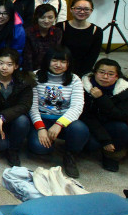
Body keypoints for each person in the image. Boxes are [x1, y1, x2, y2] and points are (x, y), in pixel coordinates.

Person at [28, 46, 87, 178]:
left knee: (80, 129)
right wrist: (41, 128)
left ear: (68, 64)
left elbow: (77, 107)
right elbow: (32, 106)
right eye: (54, 60)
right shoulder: (35, 76)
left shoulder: (75, 79)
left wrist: (59, 124)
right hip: (42, 119)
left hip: (64, 120)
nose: (58, 65)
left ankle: (70, 155)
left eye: (63, 62)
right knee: (39, 148)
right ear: (47, 61)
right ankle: (48, 140)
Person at [81, 58, 128, 172]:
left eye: (110, 74)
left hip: (109, 123)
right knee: (92, 145)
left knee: (122, 128)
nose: (105, 77)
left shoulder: (124, 90)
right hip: (90, 125)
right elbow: (85, 115)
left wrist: (101, 99)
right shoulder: (83, 86)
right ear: (94, 73)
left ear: (117, 76)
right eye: (101, 72)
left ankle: (111, 156)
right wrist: (105, 139)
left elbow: (122, 116)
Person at [0, 48, 34, 167]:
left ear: (16, 66)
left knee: (23, 121)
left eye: (9, 64)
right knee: (0, 147)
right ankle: (5, 142)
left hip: (13, 119)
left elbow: (24, 105)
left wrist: (2, 116)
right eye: (1, 63)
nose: (4, 67)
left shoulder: (24, 82)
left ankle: (13, 150)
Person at [58, 0, 104, 77]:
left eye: (86, 9)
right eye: (78, 8)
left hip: (83, 72)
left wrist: (81, 75)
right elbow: (55, 51)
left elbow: (93, 56)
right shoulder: (60, 26)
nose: (82, 12)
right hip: (60, 68)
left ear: (91, 11)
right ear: (71, 9)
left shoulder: (96, 31)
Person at [23, 4, 62, 72]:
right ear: (36, 17)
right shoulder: (28, 32)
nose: (46, 21)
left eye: (50, 17)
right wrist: (30, 73)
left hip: (51, 69)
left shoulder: (57, 32)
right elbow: (27, 57)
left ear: (55, 18)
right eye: (42, 17)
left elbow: (56, 53)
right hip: (31, 69)